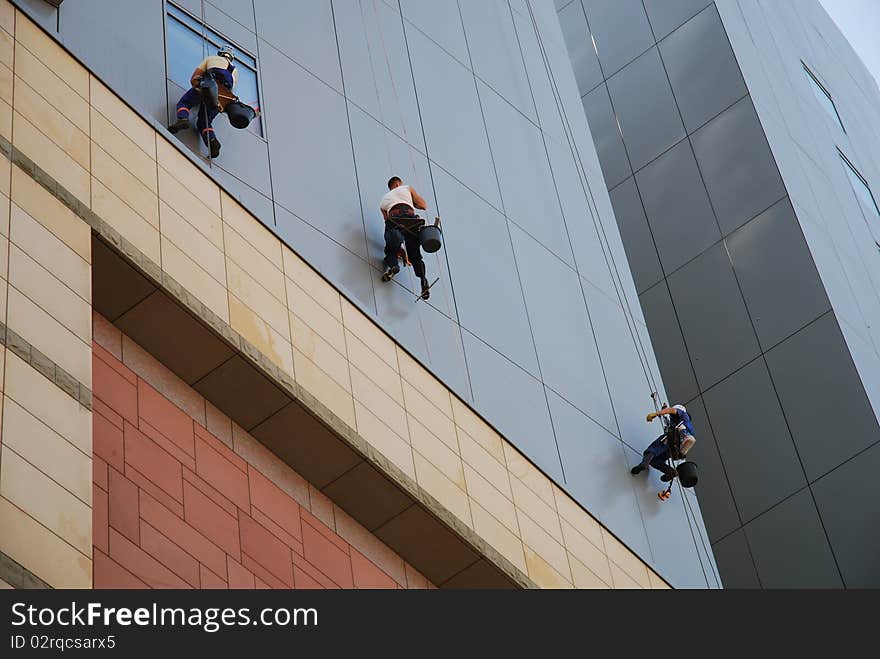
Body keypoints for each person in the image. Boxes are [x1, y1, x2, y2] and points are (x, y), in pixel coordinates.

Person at [168, 45, 239, 158]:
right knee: (204, 122)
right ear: (231, 57)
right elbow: (230, 91)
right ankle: (212, 142)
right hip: (222, 97)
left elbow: (195, 77)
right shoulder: (235, 71)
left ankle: (183, 119)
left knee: (185, 103)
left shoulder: (211, 59)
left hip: (209, 86)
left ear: (220, 53)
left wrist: (197, 86)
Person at [379, 176, 431, 299]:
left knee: (391, 248)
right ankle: (423, 279)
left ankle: (394, 266)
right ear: (398, 184)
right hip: (410, 219)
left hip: (394, 219)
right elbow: (424, 206)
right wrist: (410, 202)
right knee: (415, 255)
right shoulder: (407, 188)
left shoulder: (383, 201)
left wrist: (399, 247)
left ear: (391, 187)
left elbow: (387, 221)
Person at [630, 404, 696, 482]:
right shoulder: (686, 425)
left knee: (653, 449)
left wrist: (656, 414)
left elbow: (671, 411)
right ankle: (671, 472)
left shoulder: (682, 413)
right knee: (655, 461)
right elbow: (668, 420)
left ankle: (643, 464)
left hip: (672, 438)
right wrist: (664, 409)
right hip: (675, 448)